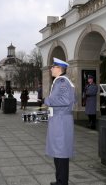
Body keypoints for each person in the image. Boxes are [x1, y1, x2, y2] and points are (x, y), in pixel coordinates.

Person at [44, 57, 75, 185]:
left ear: (59, 69)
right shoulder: (59, 81)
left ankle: (62, 182)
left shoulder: (63, 82)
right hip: (58, 119)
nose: (51, 69)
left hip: (61, 121)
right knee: (58, 152)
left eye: (53, 67)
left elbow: (67, 100)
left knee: (61, 153)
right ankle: (59, 180)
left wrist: (48, 101)